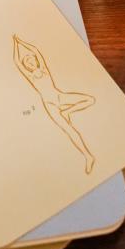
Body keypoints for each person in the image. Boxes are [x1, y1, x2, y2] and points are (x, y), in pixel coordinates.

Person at [13, 35, 96, 174]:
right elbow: (17, 62)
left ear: (35, 60)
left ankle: (68, 111)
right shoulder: (31, 76)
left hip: (60, 97)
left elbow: (36, 51)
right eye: (27, 62)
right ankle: (88, 156)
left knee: (90, 100)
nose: (29, 62)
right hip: (49, 104)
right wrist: (15, 45)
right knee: (70, 130)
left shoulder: (44, 69)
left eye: (30, 59)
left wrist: (21, 42)